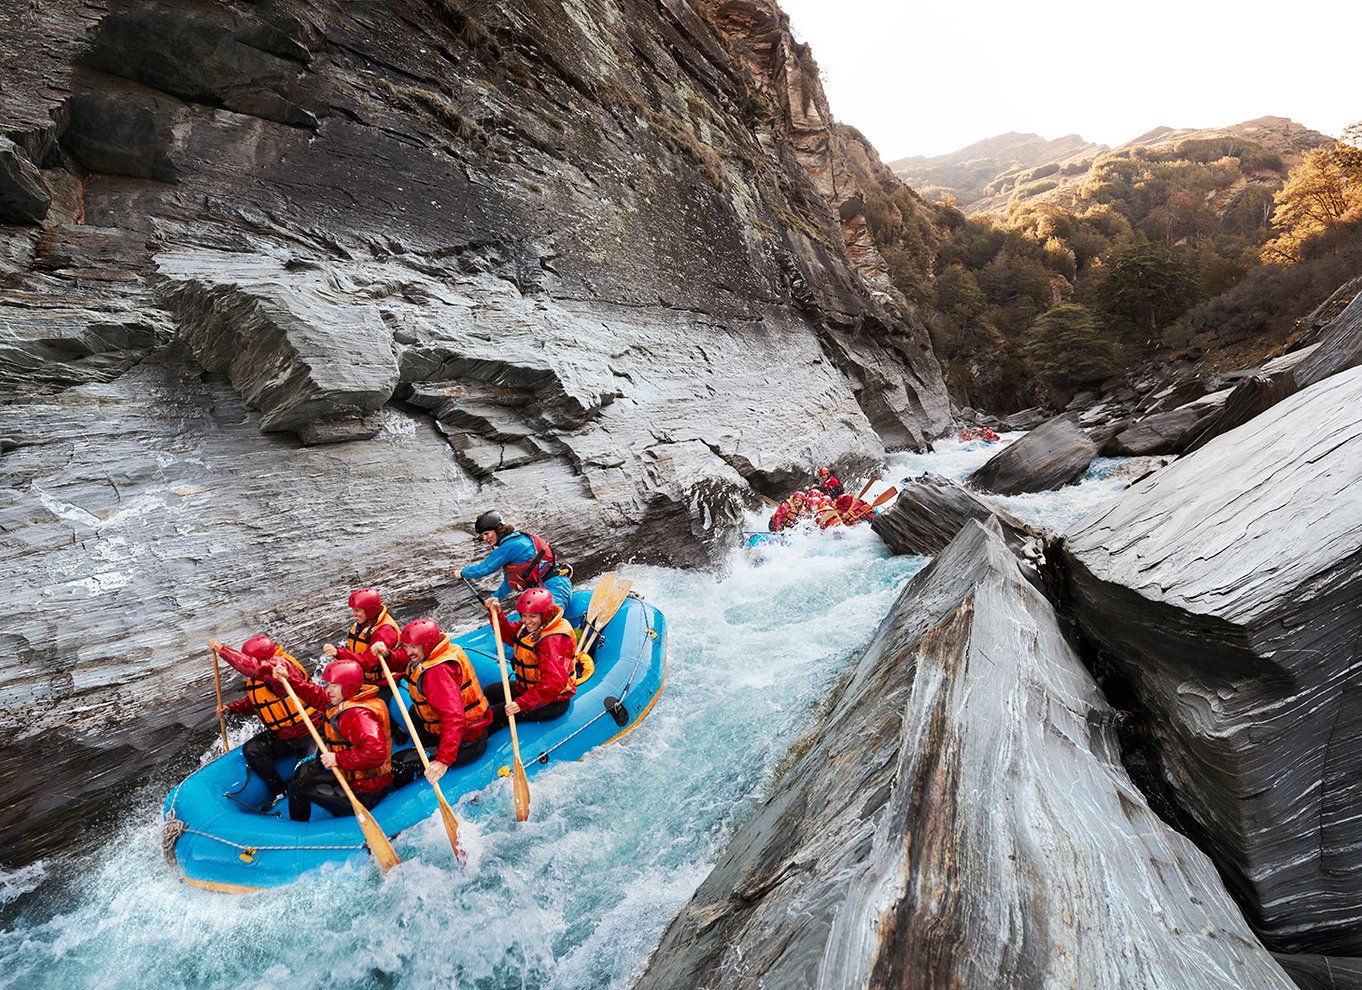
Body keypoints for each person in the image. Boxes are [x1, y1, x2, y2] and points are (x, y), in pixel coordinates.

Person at [371, 619, 492, 784]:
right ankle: (429, 746)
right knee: (414, 712)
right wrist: (387, 655)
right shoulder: (436, 651)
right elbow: (405, 659)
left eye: (413, 646)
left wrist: (443, 760)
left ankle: (429, 754)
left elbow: (454, 718)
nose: (408, 651)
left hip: (466, 742)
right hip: (458, 730)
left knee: (399, 763)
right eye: (406, 646)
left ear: (427, 645)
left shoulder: (437, 673)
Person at [275, 658, 394, 822]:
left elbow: (376, 753)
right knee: (306, 776)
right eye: (329, 685)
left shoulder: (356, 715)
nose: (328, 690)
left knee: (296, 789)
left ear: (348, 686)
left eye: (334, 686)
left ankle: (298, 833)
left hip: (365, 792)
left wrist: (337, 758)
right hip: (361, 781)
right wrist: (288, 679)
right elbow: (315, 695)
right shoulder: (348, 699)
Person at [209, 634, 321, 805]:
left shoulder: (282, 668)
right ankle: (279, 791)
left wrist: (222, 650)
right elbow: (258, 703)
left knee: (301, 783)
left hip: (310, 734)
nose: (247, 661)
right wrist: (232, 709)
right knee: (252, 749)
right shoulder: (260, 678)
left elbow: (253, 667)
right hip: (283, 737)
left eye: (249, 658)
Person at [486, 587, 576, 733]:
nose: (527, 621)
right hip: (527, 688)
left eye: (532, 617)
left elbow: (553, 684)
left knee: (496, 714)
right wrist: (497, 614)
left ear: (545, 614)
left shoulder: (552, 640)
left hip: (551, 701)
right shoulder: (530, 627)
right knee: (490, 691)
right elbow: (510, 636)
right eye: (524, 616)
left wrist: (521, 704)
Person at [456, 510, 574, 612]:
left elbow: (484, 569)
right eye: (482, 535)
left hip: (554, 588)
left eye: (487, 533)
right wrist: (495, 597)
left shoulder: (509, 546)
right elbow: (510, 581)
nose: (485, 538)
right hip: (549, 587)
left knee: (546, 624)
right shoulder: (517, 540)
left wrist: (462, 572)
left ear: (498, 530)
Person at [323, 587, 402, 690]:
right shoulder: (364, 623)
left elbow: (369, 663)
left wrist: (339, 653)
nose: (353, 614)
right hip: (365, 680)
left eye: (357, 610)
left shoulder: (385, 632)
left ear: (370, 610)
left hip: (385, 682)